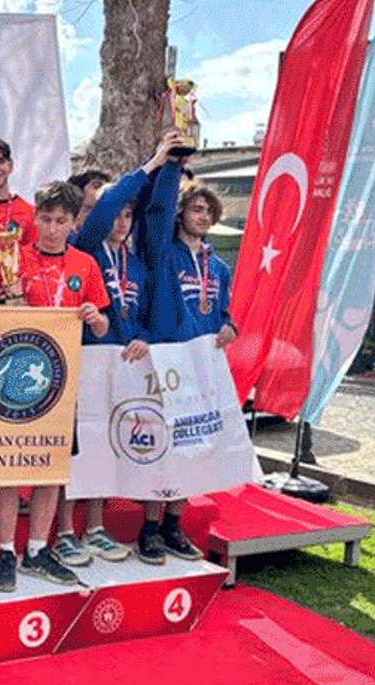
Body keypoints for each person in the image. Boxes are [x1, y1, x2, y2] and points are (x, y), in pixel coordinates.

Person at [53, 135, 177, 566]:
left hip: (122, 366)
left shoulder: (137, 263)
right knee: (78, 447)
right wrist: (152, 163)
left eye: (128, 215)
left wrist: (144, 338)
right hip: (86, 360)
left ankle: (95, 528)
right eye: (116, 213)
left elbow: (142, 314)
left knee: (106, 445)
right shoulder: (86, 248)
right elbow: (105, 206)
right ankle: (64, 531)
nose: (121, 222)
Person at [0, 181, 110, 590]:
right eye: (46, 219)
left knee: (51, 466)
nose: (53, 228)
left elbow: (103, 325)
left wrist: (95, 317)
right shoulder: (13, 258)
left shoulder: (85, 264)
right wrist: (1, 296)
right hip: (15, 379)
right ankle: (5, 550)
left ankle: (38, 549)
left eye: (61, 221)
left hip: (60, 382)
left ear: (74, 223)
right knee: (9, 466)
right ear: (35, 219)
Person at [133, 153, 236, 564]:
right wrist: (173, 164)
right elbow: (156, 212)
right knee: (163, 447)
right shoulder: (162, 253)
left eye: (209, 210)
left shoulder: (220, 267)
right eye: (196, 208)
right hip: (166, 364)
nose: (203, 216)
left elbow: (223, 312)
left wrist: (230, 325)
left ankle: (174, 525)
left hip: (204, 368)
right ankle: (149, 527)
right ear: (180, 214)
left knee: (195, 448)